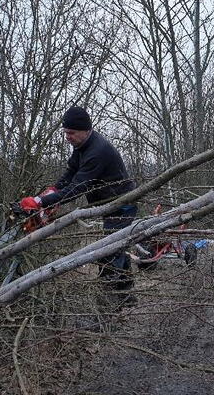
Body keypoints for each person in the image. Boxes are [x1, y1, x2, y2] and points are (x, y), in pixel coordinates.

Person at [19, 106, 137, 294]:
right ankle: (125, 295)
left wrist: (41, 202)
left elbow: (76, 189)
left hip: (122, 203)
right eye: (65, 132)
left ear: (86, 130)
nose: (67, 137)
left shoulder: (97, 151)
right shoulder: (81, 146)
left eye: (71, 132)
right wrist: (51, 192)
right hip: (108, 203)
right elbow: (70, 173)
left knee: (109, 250)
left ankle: (112, 298)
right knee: (116, 246)